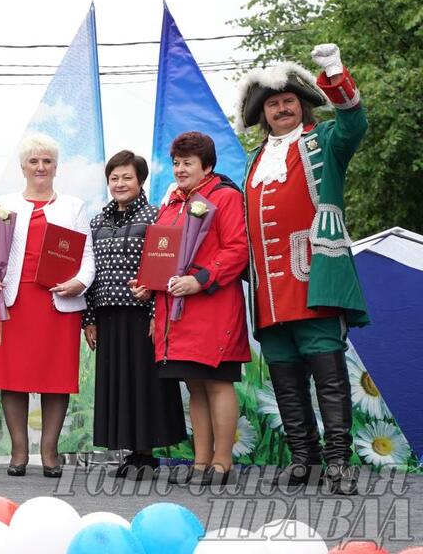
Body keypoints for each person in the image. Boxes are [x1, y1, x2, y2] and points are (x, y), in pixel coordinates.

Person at [235, 44, 368, 495]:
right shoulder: (253, 163)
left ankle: (337, 462)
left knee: (330, 378)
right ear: (263, 115)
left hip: (313, 278)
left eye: (288, 101)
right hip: (269, 291)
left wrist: (334, 70)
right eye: (273, 104)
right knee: (286, 380)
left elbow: (354, 123)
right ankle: (304, 460)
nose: (281, 108)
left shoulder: (323, 142)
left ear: (303, 105)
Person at [134, 131, 249, 487]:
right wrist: (148, 285)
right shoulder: (171, 204)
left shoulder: (226, 197)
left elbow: (237, 249)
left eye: (188, 163)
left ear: (208, 166)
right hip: (176, 312)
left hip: (212, 304)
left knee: (217, 381)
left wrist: (200, 279)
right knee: (195, 386)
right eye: (176, 163)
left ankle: (223, 461)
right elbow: (161, 256)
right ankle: (200, 462)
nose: (180, 169)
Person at [0, 133, 95, 478]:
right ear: (23, 167)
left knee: (55, 379)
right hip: (13, 301)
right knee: (12, 378)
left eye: (47, 161)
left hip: (58, 302)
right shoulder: (3, 203)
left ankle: (49, 450)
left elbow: (87, 255)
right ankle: (18, 452)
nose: (40, 167)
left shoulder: (73, 205)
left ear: (56, 167)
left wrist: (80, 282)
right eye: (34, 161)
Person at [83, 150, 185, 480]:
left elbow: (165, 269)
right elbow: (88, 271)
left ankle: (146, 454)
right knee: (118, 384)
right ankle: (128, 452)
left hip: (143, 315)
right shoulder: (96, 221)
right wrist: (89, 319)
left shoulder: (157, 217)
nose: (120, 183)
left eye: (127, 177)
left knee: (145, 384)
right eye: (114, 178)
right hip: (107, 314)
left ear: (140, 181)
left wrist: (158, 313)